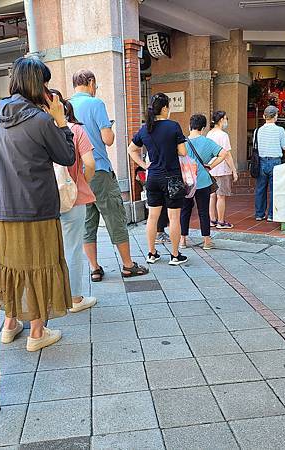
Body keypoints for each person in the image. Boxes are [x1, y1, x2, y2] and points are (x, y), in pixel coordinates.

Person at [0, 57, 76, 352]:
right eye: (46, 83)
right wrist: (62, 122)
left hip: (4, 207)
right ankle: (37, 331)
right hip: (36, 207)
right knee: (40, 264)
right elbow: (67, 156)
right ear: (39, 85)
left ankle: (10, 324)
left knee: (12, 264)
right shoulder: (40, 120)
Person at [69, 69, 149, 281]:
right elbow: (108, 139)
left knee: (88, 222)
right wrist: (110, 128)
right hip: (99, 170)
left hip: (77, 175)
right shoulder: (96, 104)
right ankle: (128, 265)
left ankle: (94, 268)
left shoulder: (66, 106)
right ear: (91, 82)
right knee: (114, 216)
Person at [50, 89, 98, 313]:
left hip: (45, 200)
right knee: (73, 247)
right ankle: (75, 298)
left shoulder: (39, 130)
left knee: (50, 249)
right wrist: (82, 181)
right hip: (73, 197)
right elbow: (90, 163)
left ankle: (52, 296)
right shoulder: (76, 130)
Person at [127, 93, 188, 265]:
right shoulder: (173, 126)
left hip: (152, 176)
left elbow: (131, 149)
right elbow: (183, 152)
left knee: (152, 217)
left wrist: (144, 165)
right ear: (165, 108)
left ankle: (152, 253)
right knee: (174, 217)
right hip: (172, 177)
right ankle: (175, 256)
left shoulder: (145, 128)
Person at [180, 114, 230, 250]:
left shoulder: (182, 141)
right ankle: (207, 241)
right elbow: (224, 154)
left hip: (186, 181)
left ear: (190, 126)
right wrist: (211, 166)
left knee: (185, 210)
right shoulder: (207, 142)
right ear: (203, 128)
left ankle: (183, 240)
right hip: (202, 181)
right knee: (203, 211)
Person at [254, 106, 285, 221]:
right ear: (276, 117)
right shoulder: (280, 130)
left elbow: (255, 146)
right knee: (275, 189)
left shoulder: (257, 131)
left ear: (264, 116)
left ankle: (259, 214)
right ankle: (271, 215)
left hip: (261, 161)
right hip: (275, 162)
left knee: (260, 189)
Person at [207, 111, 238, 229]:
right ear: (221, 120)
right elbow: (227, 155)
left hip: (211, 168)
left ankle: (212, 220)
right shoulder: (223, 135)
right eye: (226, 118)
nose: (226, 121)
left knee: (212, 195)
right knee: (221, 196)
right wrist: (234, 170)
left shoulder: (209, 134)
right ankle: (220, 221)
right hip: (222, 169)